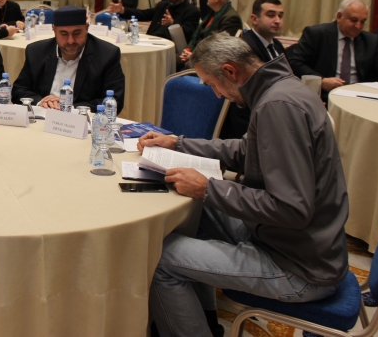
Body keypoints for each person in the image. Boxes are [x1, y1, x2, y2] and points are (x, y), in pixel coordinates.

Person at [141, 34, 349, 337]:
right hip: (294, 243)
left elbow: (291, 209)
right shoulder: (281, 88)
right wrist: (178, 143)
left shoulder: (278, 106)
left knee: (157, 259)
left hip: (299, 267)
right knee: (196, 212)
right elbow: (245, 151)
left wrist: (208, 188)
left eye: (212, 84)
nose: (217, 95)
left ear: (230, 71)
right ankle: (205, 321)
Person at [12, 5, 125, 112]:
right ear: (54, 30)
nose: (71, 41)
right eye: (64, 34)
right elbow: (19, 90)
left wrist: (68, 107)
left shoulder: (107, 54)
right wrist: (41, 102)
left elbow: (115, 101)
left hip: (81, 120)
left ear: (86, 28)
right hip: (42, 116)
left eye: (77, 33)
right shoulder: (36, 51)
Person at [287, 0, 378, 101]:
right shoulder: (317, 34)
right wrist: (321, 81)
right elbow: (295, 62)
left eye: (363, 22)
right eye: (354, 20)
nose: (358, 26)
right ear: (339, 16)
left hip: (360, 98)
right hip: (323, 96)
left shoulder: (371, 41)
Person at [220, 0, 286, 139]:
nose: (277, 20)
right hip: (251, 122)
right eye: (271, 15)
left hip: (274, 108)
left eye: (280, 16)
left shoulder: (277, 46)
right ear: (254, 19)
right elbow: (249, 97)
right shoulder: (245, 48)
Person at [111, 0, 200, 41]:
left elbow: (190, 33)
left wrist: (173, 23)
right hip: (152, 39)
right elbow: (144, 14)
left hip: (171, 45)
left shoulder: (192, 11)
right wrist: (123, 10)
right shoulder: (163, 5)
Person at [179, 0, 242, 65]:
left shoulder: (231, 18)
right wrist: (188, 49)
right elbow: (197, 36)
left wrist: (194, 57)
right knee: (171, 59)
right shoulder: (213, 13)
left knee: (170, 62)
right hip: (196, 55)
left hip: (207, 64)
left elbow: (221, 50)